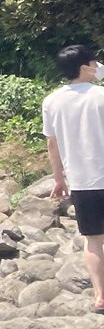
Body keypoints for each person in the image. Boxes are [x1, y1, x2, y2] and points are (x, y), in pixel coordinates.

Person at [45, 43, 104, 312]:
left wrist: (59, 178)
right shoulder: (101, 96)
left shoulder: (52, 102)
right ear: (84, 67)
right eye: (94, 63)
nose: (97, 67)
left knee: (92, 240)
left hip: (82, 180)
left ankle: (100, 295)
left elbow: (52, 145)